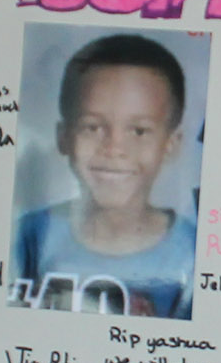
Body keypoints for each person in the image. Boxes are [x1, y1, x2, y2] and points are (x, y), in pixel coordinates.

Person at [13, 33, 196, 319]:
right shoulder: (29, 237)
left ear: (170, 145)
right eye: (93, 127)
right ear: (64, 136)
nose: (114, 149)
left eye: (139, 131)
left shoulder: (195, 254)